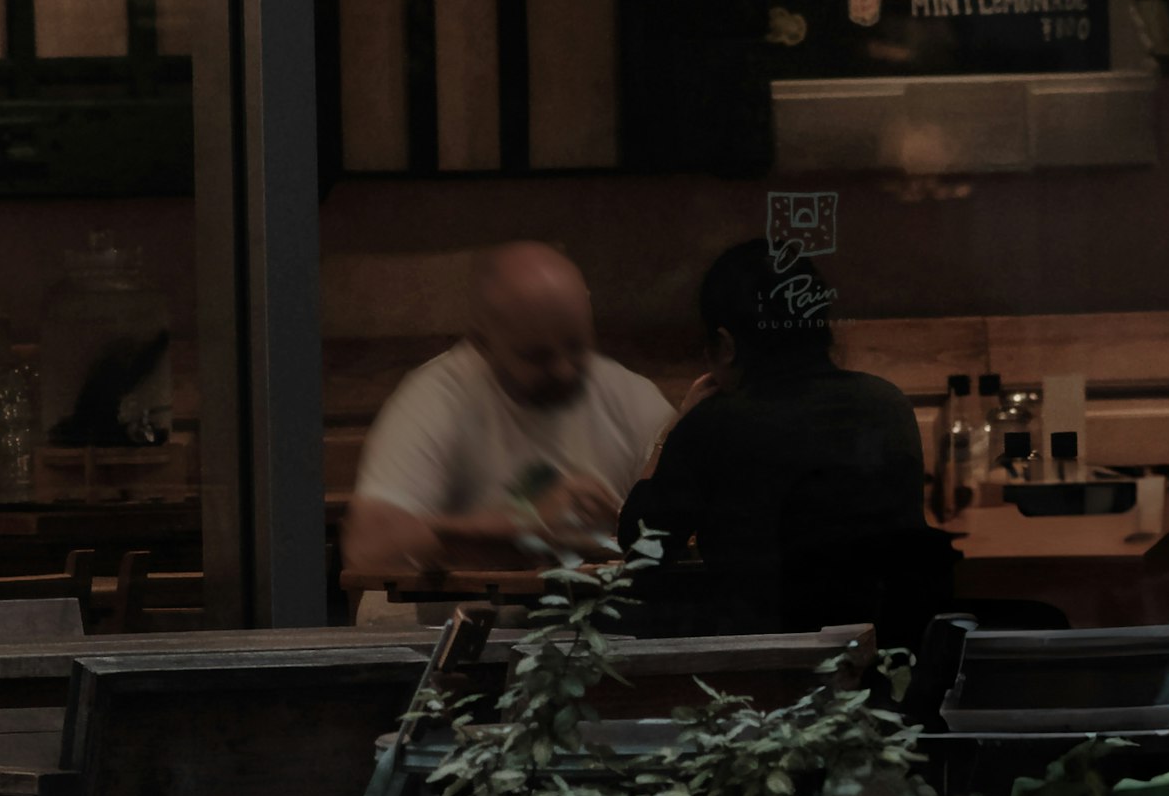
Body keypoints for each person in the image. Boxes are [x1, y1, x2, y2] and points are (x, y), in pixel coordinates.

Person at [624, 238, 933, 623]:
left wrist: (676, 428)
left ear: (725, 345)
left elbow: (641, 549)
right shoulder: (886, 405)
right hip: (879, 658)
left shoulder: (714, 424)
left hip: (762, 667)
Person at [342, 242, 675, 574]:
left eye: (576, 347)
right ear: (482, 343)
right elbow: (369, 547)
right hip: (467, 622)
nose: (565, 370)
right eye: (537, 357)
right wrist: (523, 525)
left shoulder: (632, 397)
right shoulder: (436, 398)